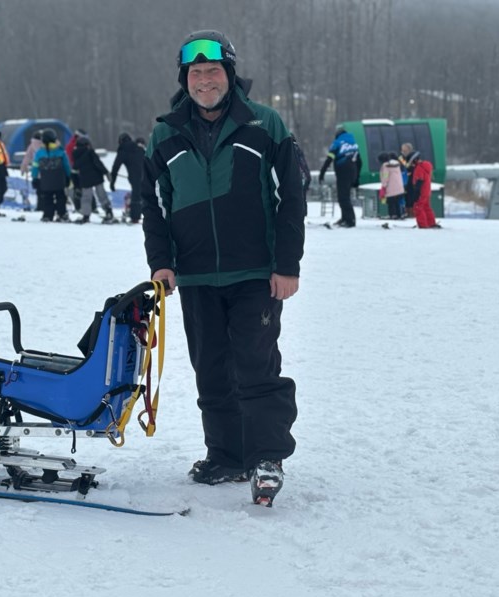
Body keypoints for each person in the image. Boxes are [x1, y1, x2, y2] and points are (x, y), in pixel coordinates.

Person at [141, 29, 305, 507]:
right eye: (196, 72)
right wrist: (162, 263)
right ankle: (227, 455)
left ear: (229, 75)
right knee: (210, 369)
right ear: (185, 79)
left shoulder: (264, 125)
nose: (205, 80)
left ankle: (267, 457)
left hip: (256, 272)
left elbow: (291, 199)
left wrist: (287, 264)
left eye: (213, 71)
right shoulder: (165, 133)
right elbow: (155, 205)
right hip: (194, 275)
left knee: (256, 365)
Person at [317, 125, 362, 227]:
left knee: (343, 197)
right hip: (353, 172)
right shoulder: (354, 144)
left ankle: (350, 221)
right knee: (344, 196)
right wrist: (357, 178)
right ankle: (344, 218)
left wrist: (322, 173)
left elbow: (329, 158)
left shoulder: (338, 143)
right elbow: (359, 161)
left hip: (343, 172)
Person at [73, 134, 115, 223]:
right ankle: (108, 212)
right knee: (102, 196)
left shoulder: (75, 154)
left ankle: (86, 215)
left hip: (85, 180)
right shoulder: (90, 152)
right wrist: (106, 172)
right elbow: (98, 163)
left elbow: (75, 167)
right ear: (86, 144)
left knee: (86, 198)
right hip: (97, 178)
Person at [32, 129, 72, 222]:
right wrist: (68, 176)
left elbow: (35, 167)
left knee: (47, 198)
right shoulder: (60, 151)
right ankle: (62, 214)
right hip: (59, 180)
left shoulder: (39, 153)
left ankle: (48, 214)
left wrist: (34, 178)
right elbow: (66, 165)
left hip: (45, 181)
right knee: (61, 197)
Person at [110, 132, 144, 223]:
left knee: (136, 194)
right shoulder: (139, 148)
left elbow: (115, 167)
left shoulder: (123, 150)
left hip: (134, 176)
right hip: (146, 174)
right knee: (145, 194)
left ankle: (135, 217)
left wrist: (112, 182)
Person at [407, 151, 441, 229]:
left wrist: (416, 194)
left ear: (415, 160)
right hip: (427, 191)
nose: (411, 165)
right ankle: (431, 223)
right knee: (426, 207)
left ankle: (423, 225)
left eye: (412, 162)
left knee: (418, 207)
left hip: (421, 192)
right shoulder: (426, 166)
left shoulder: (419, 168)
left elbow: (419, 182)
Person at [20, 130, 43, 212]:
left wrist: (23, 167)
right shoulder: (44, 145)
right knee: (46, 190)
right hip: (46, 172)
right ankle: (45, 205)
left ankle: (39, 206)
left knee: (39, 190)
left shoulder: (32, 146)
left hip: (36, 172)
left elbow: (27, 157)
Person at [378, 151, 405, 220]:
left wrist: (384, 186)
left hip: (391, 188)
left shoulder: (385, 166)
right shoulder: (397, 164)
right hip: (399, 188)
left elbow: (385, 176)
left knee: (391, 202)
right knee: (397, 202)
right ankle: (399, 214)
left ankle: (392, 215)